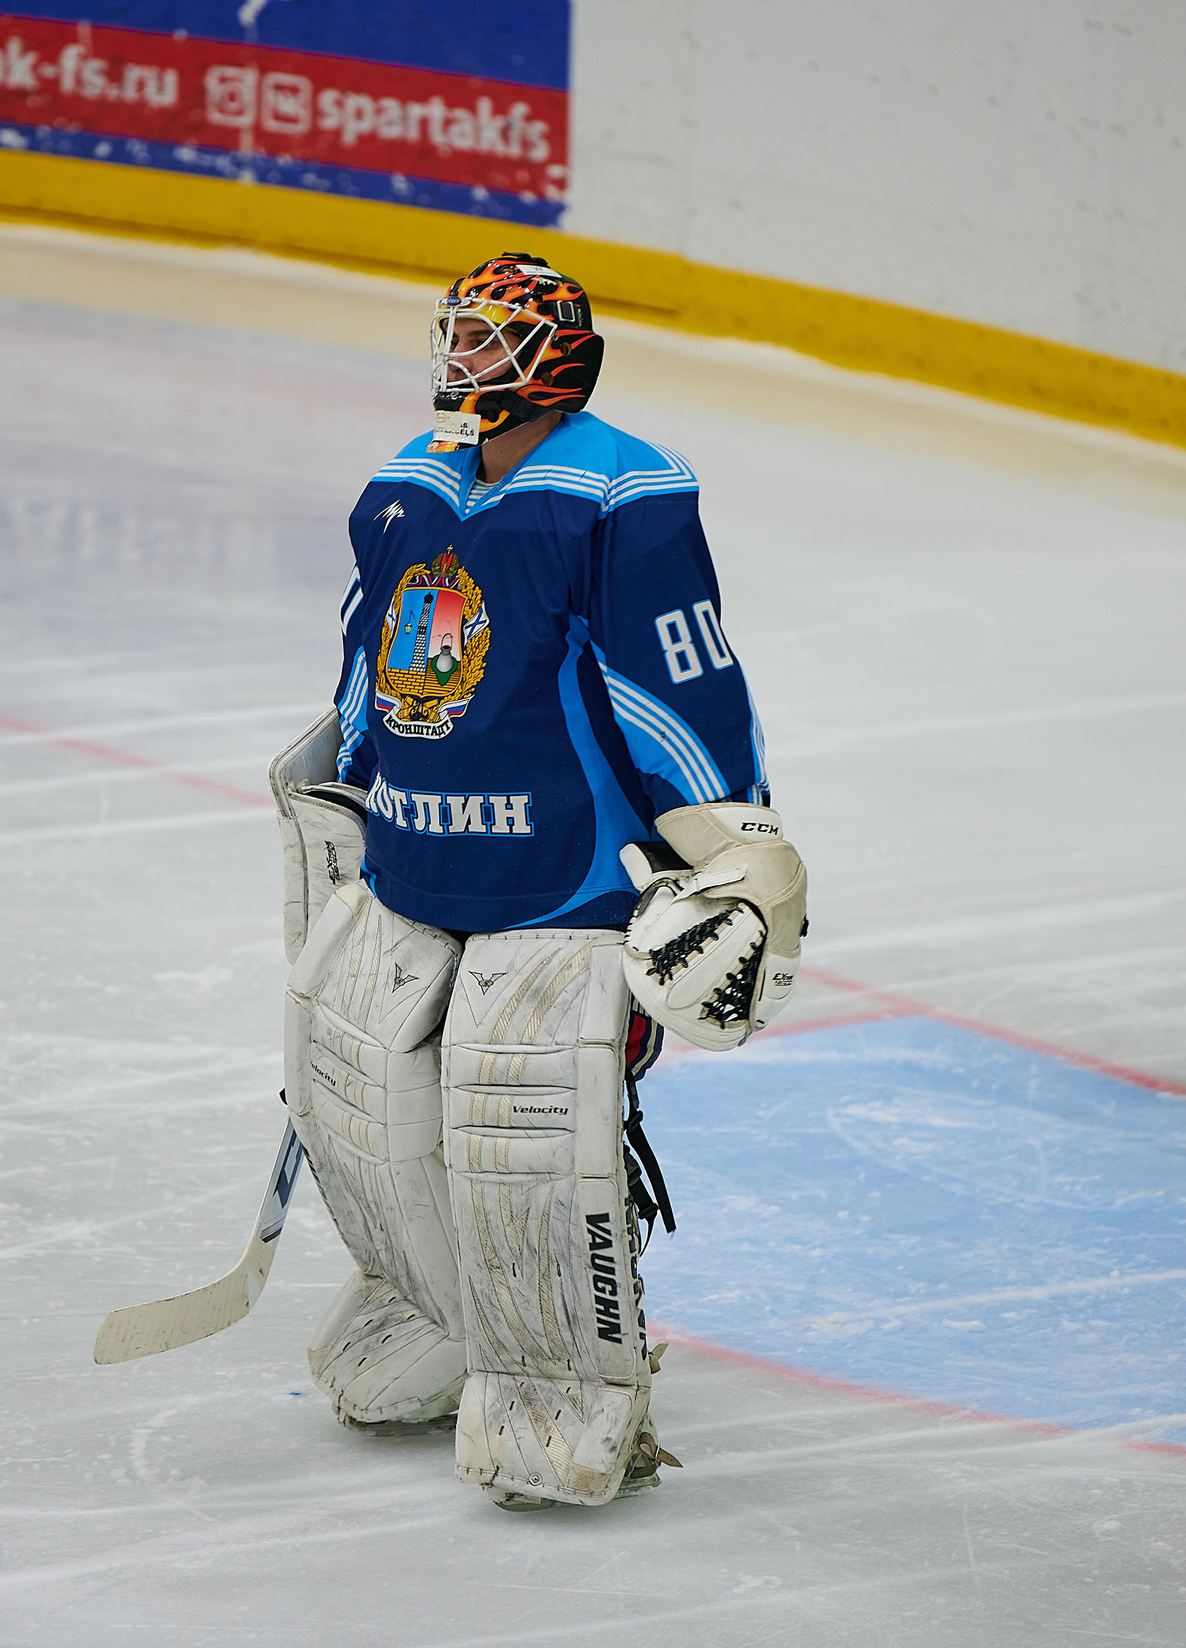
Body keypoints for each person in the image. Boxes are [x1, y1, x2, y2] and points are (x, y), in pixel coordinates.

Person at [267, 253, 808, 1510]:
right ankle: (427, 1316)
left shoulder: (623, 494)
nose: (463, 360)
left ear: (554, 358)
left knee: (519, 1149)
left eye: (490, 339)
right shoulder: (405, 483)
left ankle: (563, 1396)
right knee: (351, 1108)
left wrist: (733, 841)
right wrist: (339, 779)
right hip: (413, 865)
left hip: (564, 888)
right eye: (457, 334)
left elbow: (674, 688)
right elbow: (368, 658)